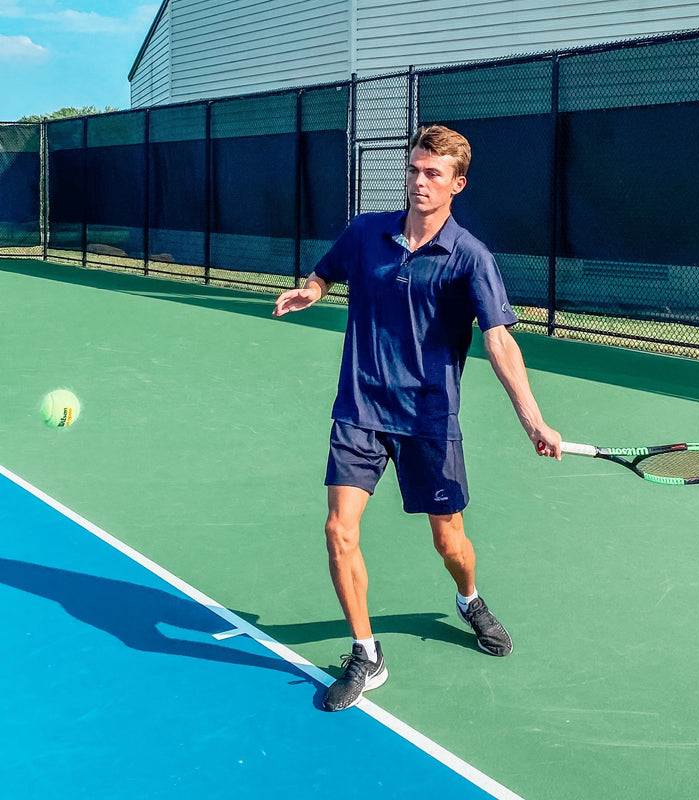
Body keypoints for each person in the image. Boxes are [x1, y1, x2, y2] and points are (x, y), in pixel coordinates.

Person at [273, 125, 561, 712]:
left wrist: (533, 420)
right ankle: (365, 653)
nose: (419, 182)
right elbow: (327, 270)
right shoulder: (365, 232)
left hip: (429, 417)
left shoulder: (471, 257)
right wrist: (313, 288)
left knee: (449, 540)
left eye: (433, 174)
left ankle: (469, 598)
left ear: (457, 184)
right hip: (360, 407)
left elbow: (501, 343)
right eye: (414, 170)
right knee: (339, 530)